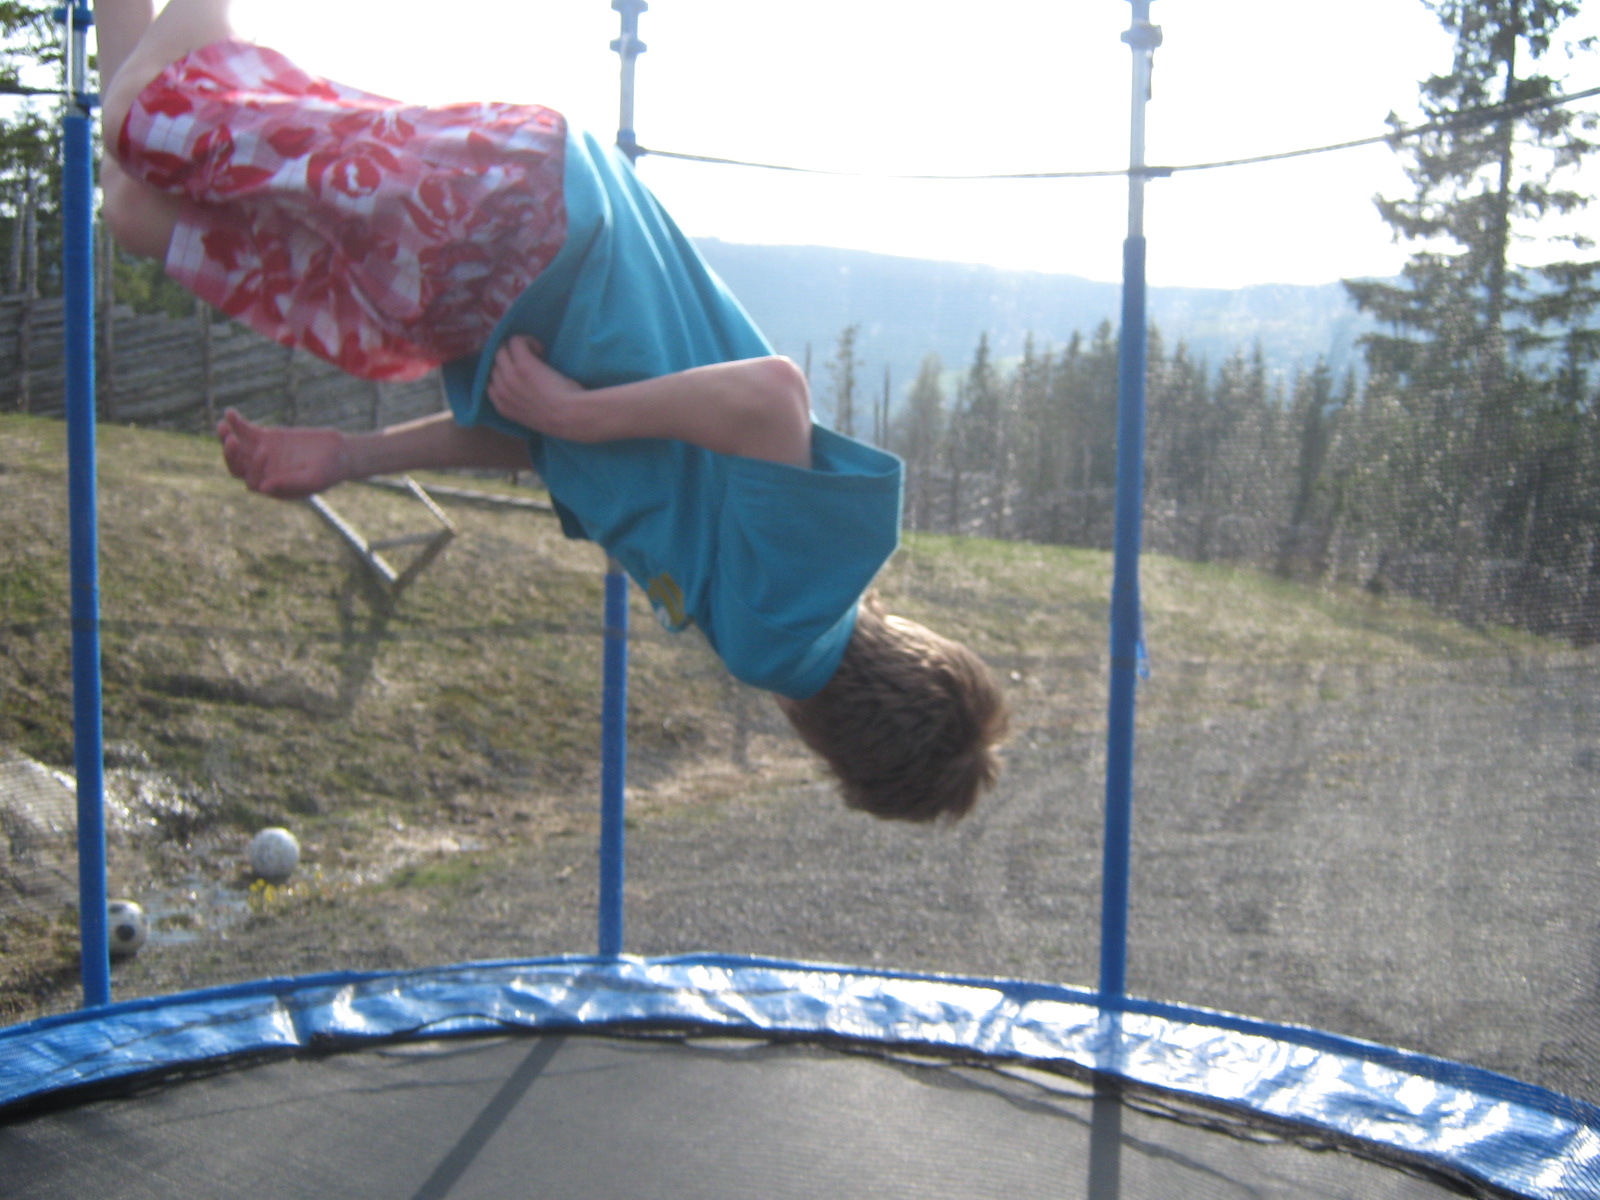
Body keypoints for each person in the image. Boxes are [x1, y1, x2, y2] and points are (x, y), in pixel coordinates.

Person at [96, 0, 1009, 821]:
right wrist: (580, 415)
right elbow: (774, 397)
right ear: (839, 752)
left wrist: (347, 455)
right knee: (146, 121)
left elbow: (528, 441)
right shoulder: (784, 632)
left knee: (144, 208)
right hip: (519, 230)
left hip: (488, 267)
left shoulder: (771, 598)